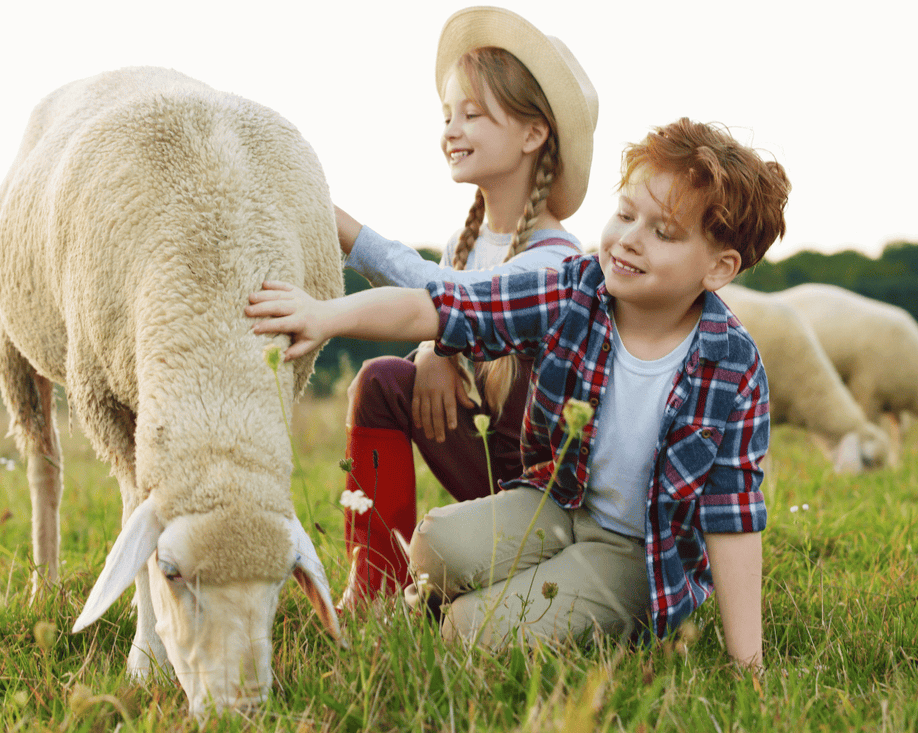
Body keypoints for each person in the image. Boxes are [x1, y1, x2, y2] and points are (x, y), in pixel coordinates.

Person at [246, 117, 791, 668]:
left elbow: (733, 516)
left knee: (472, 630)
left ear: (719, 268)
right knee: (433, 546)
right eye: (626, 214)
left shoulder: (733, 366)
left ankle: (484, 615)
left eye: (663, 233)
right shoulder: (574, 288)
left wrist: (749, 664)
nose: (629, 238)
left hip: (638, 552)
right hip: (558, 501)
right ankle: (432, 600)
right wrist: (325, 314)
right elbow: (439, 305)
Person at [332, 6, 599, 608]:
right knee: (382, 381)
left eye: (472, 114)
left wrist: (345, 231)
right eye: (447, 114)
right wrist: (431, 349)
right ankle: (374, 578)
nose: (451, 128)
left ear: (533, 134)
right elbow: (446, 305)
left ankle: (503, 562)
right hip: (483, 460)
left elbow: (456, 301)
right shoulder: (466, 244)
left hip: (545, 489)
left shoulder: (557, 261)